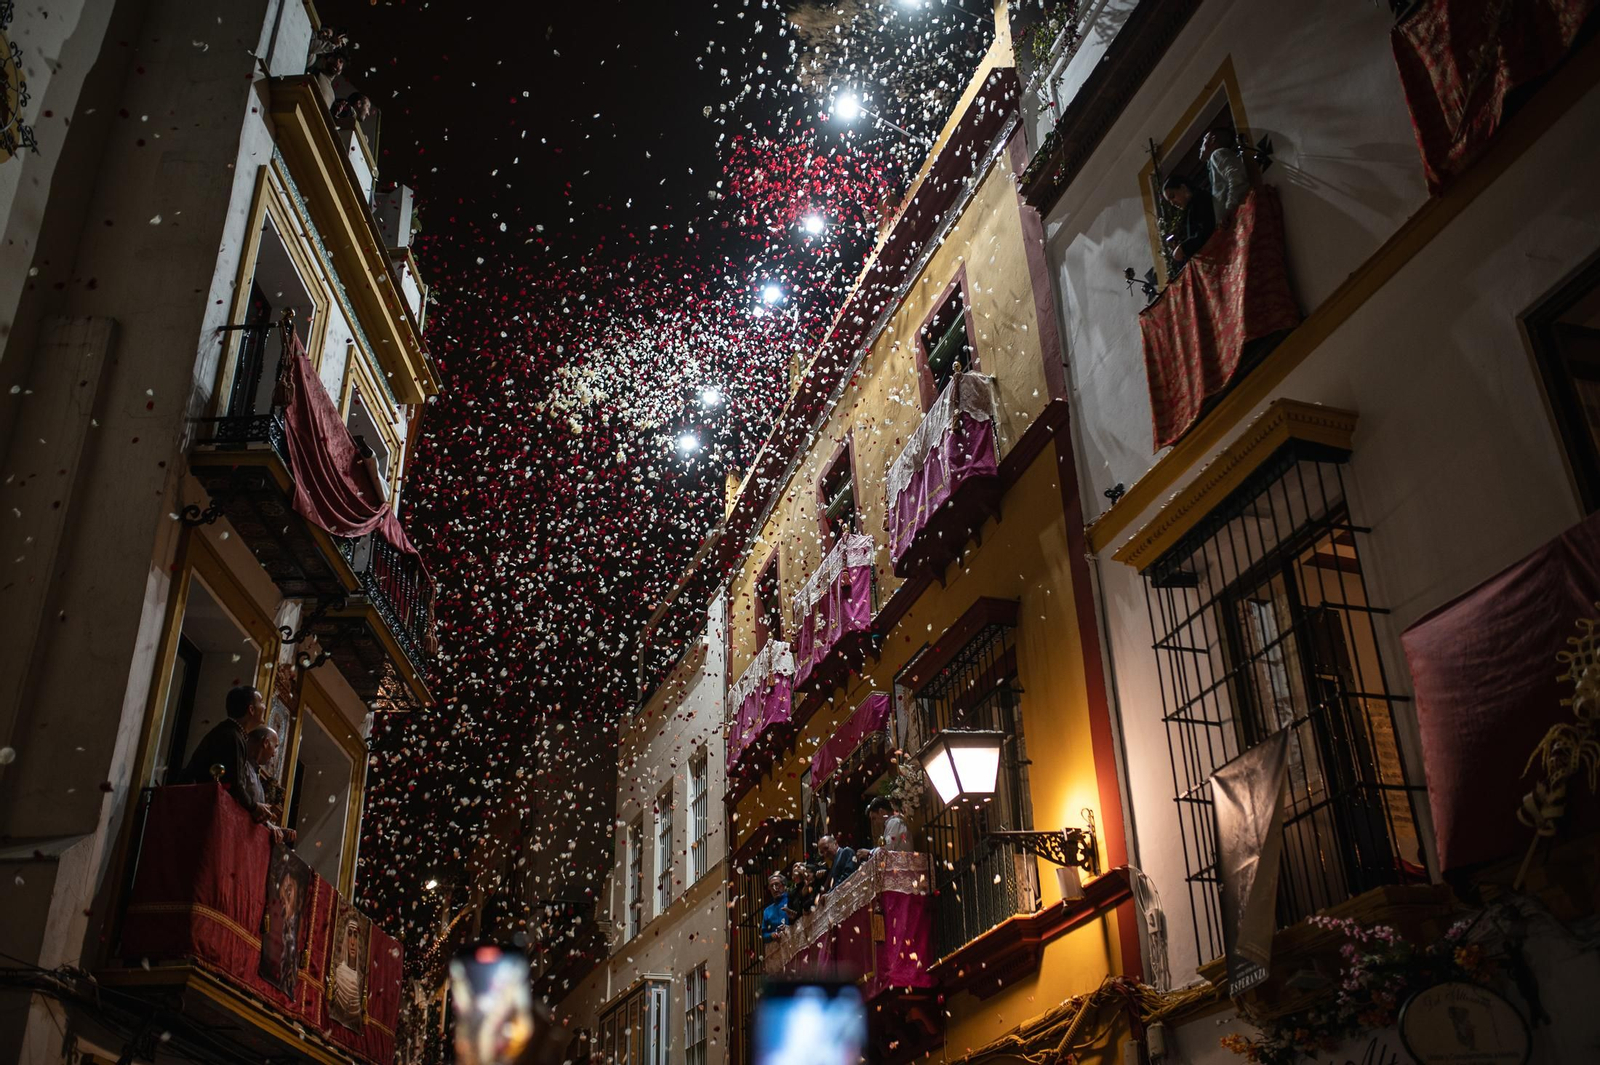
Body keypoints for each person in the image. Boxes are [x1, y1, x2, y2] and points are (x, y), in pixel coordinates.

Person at [179, 685, 277, 824]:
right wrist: (254, 807)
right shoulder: (232, 736)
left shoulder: (235, 733)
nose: (265, 707)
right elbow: (233, 783)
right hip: (201, 812)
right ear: (251, 709)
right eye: (261, 702)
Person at [246, 726, 297, 845]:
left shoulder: (255, 773)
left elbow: (254, 815)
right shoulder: (242, 765)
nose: (274, 754)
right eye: (275, 747)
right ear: (265, 743)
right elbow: (241, 804)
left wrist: (273, 828)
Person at [1161, 175, 1216, 269]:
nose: (1173, 203)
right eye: (1169, 201)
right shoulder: (1190, 208)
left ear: (1183, 188)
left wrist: (1183, 248)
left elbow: (1207, 229)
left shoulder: (1200, 200)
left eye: (1172, 196)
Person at [1200, 128, 1250, 221]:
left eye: (1204, 140)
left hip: (1237, 216)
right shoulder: (1214, 161)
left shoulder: (1217, 154)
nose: (1200, 147)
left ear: (1212, 139)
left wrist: (1229, 208)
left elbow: (1237, 177)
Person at [331, 915, 365, 1020]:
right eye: (349, 934)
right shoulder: (339, 973)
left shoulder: (361, 981)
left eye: (356, 935)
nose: (352, 942)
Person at [760, 872, 791, 941]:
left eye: (777, 884)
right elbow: (764, 934)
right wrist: (771, 935)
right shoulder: (767, 911)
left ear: (783, 886)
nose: (774, 888)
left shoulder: (791, 899)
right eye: (771, 886)